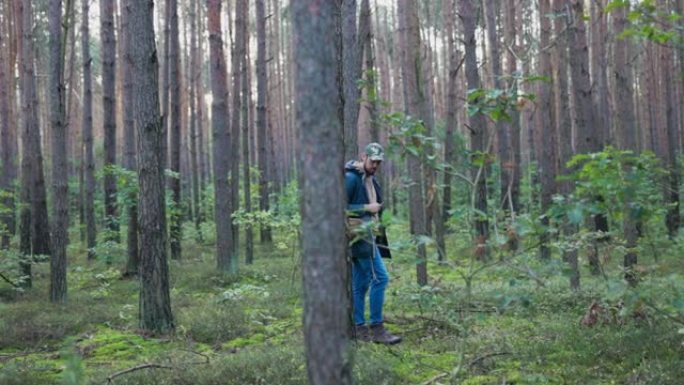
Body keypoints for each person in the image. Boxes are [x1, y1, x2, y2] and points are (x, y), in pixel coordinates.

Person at [344, 142, 402, 345]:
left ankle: (359, 329)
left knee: (360, 284)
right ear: (363, 157)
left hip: (368, 237)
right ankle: (377, 329)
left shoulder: (370, 180)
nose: (376, 165)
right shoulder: (351, 178)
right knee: (380, 279)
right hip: (359, 238)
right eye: (373, 161)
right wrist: (367, 207)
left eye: (378, 162)